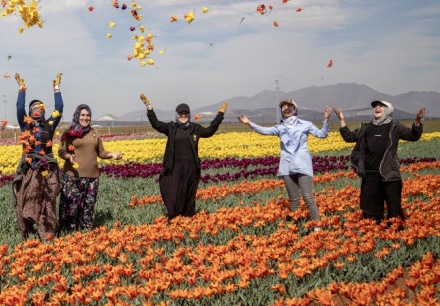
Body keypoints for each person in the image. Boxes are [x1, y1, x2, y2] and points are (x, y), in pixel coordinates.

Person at [239, 99, 331, 229]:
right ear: (281, 112)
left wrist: (326, 120)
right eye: (284, 108)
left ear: (295, 109)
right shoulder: (280, 128)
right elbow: (264, 130)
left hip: (302, 165)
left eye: (289, 107)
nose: (286, 109)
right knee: (293, 200)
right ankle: (297, 228)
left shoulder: (306, 124)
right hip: (287, 167)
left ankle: (317, 228)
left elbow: (322, 134)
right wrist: (249, 123)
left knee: (308, 197)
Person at [335, 100, 424, 222]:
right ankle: (374, 236)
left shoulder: (395, 127)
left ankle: (396, 235)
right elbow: (349, 137)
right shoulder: (365, 127)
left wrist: (417, 121)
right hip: (370, 176)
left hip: (390, 175)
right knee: (371, 213)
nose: (377, 108)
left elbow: (413, 136)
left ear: (388, 110)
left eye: (381, 106)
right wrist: (341, 120)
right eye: (375, 106)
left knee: (394, 212)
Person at [141, 94, 227, 219]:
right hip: (174, 167)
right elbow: (156, 124)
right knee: (172, 192)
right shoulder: (171, 127)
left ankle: (187, 219)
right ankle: (174, 216)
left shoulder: (195, 128)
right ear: (177, 115)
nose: (183, 116)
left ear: (189, 115)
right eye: (181, 114)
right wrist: (149, 108)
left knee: (188, 193)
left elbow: (209, 131)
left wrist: (220, 115)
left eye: (185, 114)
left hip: (190, 168)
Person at [12, 72, 63, 240]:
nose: (38, 110)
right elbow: (19, 107)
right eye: (34, 108)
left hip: (47, 168)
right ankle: (28, 226)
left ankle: (47, 232)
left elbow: (59, 109)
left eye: (41, 108)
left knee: (48, 200)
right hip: (30, 167)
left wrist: (56, 88)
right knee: (27, 197)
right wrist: (21, 88)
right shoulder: (25, 125)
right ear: (30, 111)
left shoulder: (49, 124)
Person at [57, 104, 123, 233]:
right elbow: (61, 151)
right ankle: (69, 233)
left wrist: (112, 154)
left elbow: (101, 152)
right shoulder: (68, 132)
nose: (85, 118)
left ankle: (86, 233)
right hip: (73, 175)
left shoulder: (94, 132)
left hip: (92, 177)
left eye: (88, 115)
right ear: (77, 116)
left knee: (89, 206)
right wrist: (68, 156)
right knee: (72, 206)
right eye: (82, 115)